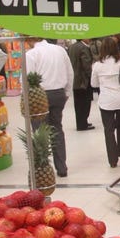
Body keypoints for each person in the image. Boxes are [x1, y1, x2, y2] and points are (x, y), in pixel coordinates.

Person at [26, 38, 73, 177]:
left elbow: (27, 79)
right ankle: (62, 167)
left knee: (40, 132)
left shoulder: (31, 54)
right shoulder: (60, 50)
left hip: (39, 95)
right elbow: (70, 72)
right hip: (59, 93)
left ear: (30, 38)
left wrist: (26, 99)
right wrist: (67, 92)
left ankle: (43, 169)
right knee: (57, 128)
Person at [90, 37, 120, 168]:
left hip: (106, 101)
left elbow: (93, 84)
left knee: (108, 130)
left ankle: (112, 160)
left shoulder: (97, 65)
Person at [68, 39, 95, 131]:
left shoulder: (71, 47)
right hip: (83, 81)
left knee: (78, 103)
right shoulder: (84, 48)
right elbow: (86, 65)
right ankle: (83, 124)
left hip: (75, 80)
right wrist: (91, 76)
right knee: (85, 102)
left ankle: (80, 122)